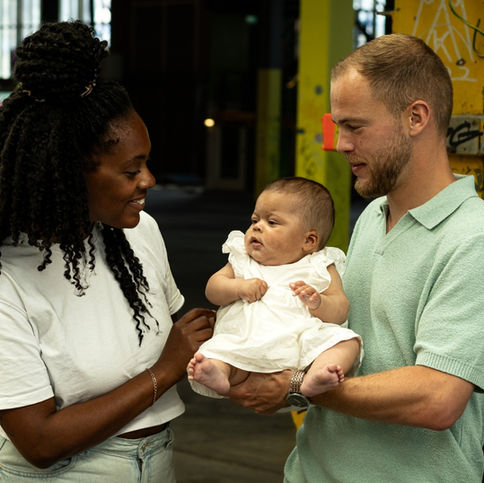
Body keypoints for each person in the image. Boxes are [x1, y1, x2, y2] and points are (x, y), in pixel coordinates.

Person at [228, 34, 484, 482]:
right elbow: (335, 345)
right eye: (338, 126)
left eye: (355, 126)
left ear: (416, 117)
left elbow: (438, 398)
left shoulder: (473, 236)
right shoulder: (372, 216)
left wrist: (294, 384)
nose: (341, 143)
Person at [0, 21, 214, 481]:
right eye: (131, 170)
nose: (149, 180)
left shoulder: (139, 232)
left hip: (158, 459)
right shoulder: (8, 278)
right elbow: (39, 441)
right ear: (67, 175)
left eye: (147, 162)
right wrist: (168, 369)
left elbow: (179, 338)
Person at [187, 177, 361, 403]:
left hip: (300, 344)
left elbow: (341, 310)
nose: (257, 226)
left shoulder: (319, 265)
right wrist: (238, 287)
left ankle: (316, 375)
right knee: (219, 350)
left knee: (347, 342)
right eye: (254, 219)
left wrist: (320, 302)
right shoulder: (243, 259)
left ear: (309, 240)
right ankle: (219, 374)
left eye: (272, 222)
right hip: (244, 340)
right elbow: (213, 289)